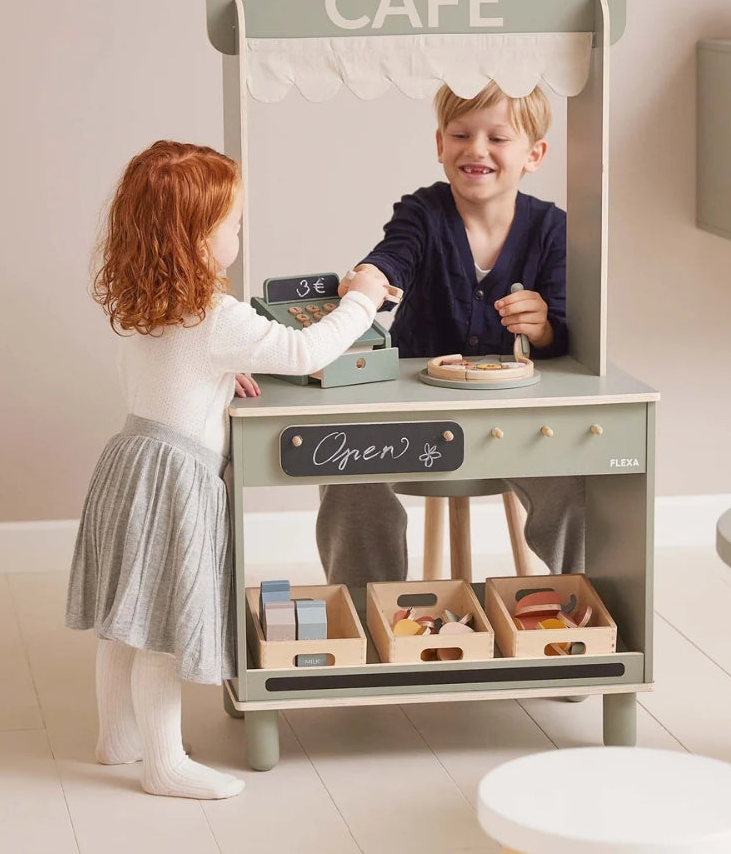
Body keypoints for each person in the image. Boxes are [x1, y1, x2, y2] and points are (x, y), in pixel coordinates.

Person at [65, 140, 388, 799]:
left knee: (125, 616)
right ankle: (164, 765)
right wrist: (362, 299)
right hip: (176, 480)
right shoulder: (216, 316)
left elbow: (173, 373)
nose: (240, 234)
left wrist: (220, 372)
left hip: (130, 462)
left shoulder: (146, 304)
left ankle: (117, 737)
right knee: (160, 626)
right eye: (234, 224)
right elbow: (304, 351)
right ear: (197, 238)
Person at [316, 81, 584, 585]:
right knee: (346, 470)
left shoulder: (552, 229)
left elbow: (566, 334)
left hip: (515, 419)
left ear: (533, 154)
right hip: (414, 411)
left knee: (578, 481)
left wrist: (544, 328)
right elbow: (393, 256)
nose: (476, 149)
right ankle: (365, 608)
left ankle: (582, 606)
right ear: (440, 144)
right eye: (461, 135)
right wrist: (372, 276)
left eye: (497, 138)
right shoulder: (422, 212)